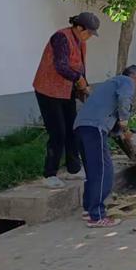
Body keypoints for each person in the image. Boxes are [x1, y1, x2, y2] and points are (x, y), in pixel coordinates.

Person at [33, 12, 100, 189]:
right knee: (58, 133)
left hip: (66, 91)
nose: (90, 36)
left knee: (72, 129)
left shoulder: (81, 41)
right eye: (89, 32)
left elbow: (80, 68)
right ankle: (49, 174)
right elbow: (61, 66)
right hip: (48, 90)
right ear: (79, 28)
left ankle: (73, 169)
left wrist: (85, 87)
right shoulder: (60, 37)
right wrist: (79, 80)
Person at [74, 65, 136, 228]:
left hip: (80, 127)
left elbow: (110, 120)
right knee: (104, 171)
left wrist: (120, 132)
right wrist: (125, 125)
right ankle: (97, 216)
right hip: (95, 128)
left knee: (93, 171)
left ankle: (88, 210)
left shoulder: (108, 84)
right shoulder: (127, 81)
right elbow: (124, 100)